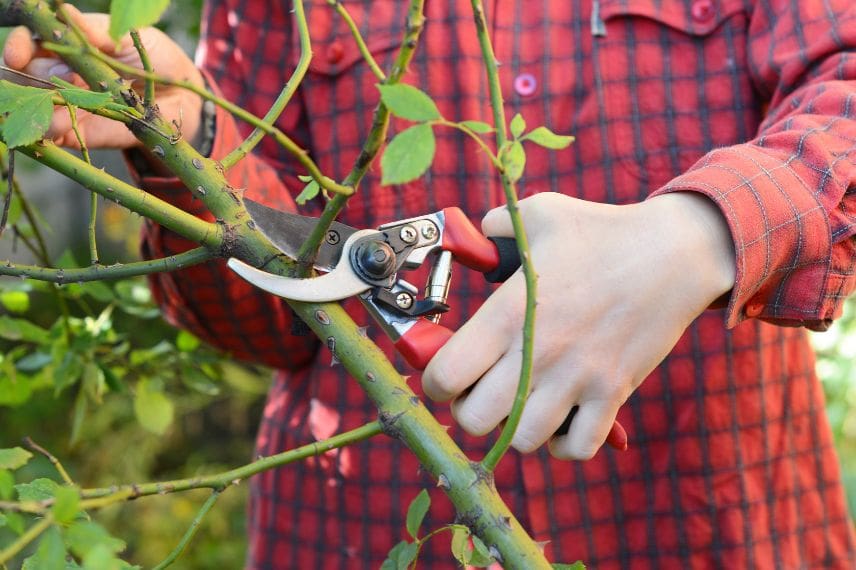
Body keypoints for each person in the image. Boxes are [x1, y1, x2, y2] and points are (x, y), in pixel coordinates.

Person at [4, 0, 856, 567]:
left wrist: (698, 232)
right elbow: (265, 323)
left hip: (714, 517)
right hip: (354, 526)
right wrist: (185, 127)